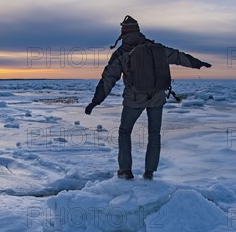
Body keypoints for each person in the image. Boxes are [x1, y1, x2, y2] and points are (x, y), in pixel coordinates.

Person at [85, 15, 211, 180]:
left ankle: (125, 170)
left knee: (124, 132)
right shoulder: (155, 48)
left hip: (134, 99)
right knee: (154, 133)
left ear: (123, 33)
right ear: (138, 31)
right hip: (157, 97)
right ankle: (149, 172)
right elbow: (178, 56)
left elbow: (108, 78)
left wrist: (95, 101)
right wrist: (198, 63)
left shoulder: (122, 53)